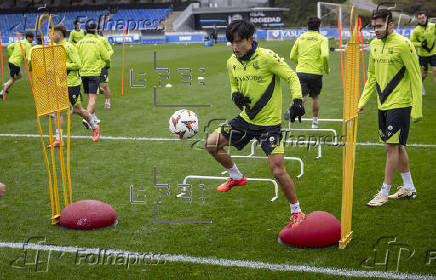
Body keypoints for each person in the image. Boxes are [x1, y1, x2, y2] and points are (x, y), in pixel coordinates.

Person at [205, 20, 306, 227]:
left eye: (239, 42)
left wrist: (297, 100)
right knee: (212, 144)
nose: (235, 47)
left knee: (277, 170)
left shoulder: (268, 57)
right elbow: (234, 83)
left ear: (250, 39)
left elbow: (292, 77)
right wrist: (235, 96)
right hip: (245, 120)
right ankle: (236, 176)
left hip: (269, 125)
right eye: (231, 43)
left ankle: (296, 211)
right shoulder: (231, 61)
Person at [358, 9, 422, 207]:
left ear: (390, 24)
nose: (375, 30)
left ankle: (384, 192)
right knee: (398, 146)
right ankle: (409, 187)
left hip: (400, 104)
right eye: (373, 27)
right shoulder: (374, 45)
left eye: (379, 26)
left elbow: (415, 76)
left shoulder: (404, 45)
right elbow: (371, 76)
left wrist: (417, 109)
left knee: (390, 147)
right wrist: (362, 101)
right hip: (382, 103)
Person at [48, 24, 99, 146]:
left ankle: (94, 126)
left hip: (71, 84)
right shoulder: (53, 47)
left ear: (59, 34)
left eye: (51, 33)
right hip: (58, 83)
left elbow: (77, 64)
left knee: (78, 109)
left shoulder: (69, 47)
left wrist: (61, 66)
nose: (49, 35)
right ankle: (59, 139)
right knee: (58, 111)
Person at [286, 17, 329, 129]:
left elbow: (291, 56)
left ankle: (293, 107)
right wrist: (326, 68)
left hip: (301, 71)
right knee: (315, 97)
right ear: (319, 26)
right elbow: (325, 55)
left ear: (307, 26)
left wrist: (300, 62)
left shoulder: (300, 38)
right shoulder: (322, 39)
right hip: (315, 73)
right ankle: (314, 122)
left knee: (302, 96)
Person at [76, 22, 110, 130]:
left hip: (83, 73)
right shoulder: (98, 42)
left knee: (89, 97)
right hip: (94, 73)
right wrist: (107, 66)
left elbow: (76, 57)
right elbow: (107, 57)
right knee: (92, 99)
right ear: (95, 30)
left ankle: (93, 117)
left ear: (85, 31)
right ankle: (87, 119)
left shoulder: (80, 43)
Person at [0, 31, 34, 97]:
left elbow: (9, 47)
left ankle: (7, 84)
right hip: (15, 63)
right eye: (32, 38)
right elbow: (27, 57)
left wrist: (12, 55)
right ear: (28, 38)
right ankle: (2, 92)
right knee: (12, 79)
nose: (33, 40)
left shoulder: (19, 41)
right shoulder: (28, 45)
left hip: (11, 61)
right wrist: (28, 63)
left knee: (19, 76)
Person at [410, 11, 436, 96]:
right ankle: (419, 86)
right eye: (420, 18)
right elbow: (411, 42)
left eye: (423, 18)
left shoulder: (433, 26)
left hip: (433, 53)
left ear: (426, 18)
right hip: (423, 55)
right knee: (424, 74)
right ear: (418, 19)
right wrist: (421, 44)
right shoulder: (416, 30)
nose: (422, 20)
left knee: (435, 71)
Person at [95, 30, 114, 109]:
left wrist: (105, 55)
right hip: (92, 66)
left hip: (102, 66)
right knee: (95, 87)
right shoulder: (86, 40)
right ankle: (107, 94)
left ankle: (107, 101)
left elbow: (111, 50)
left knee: (105, 85)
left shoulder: (102, 39)